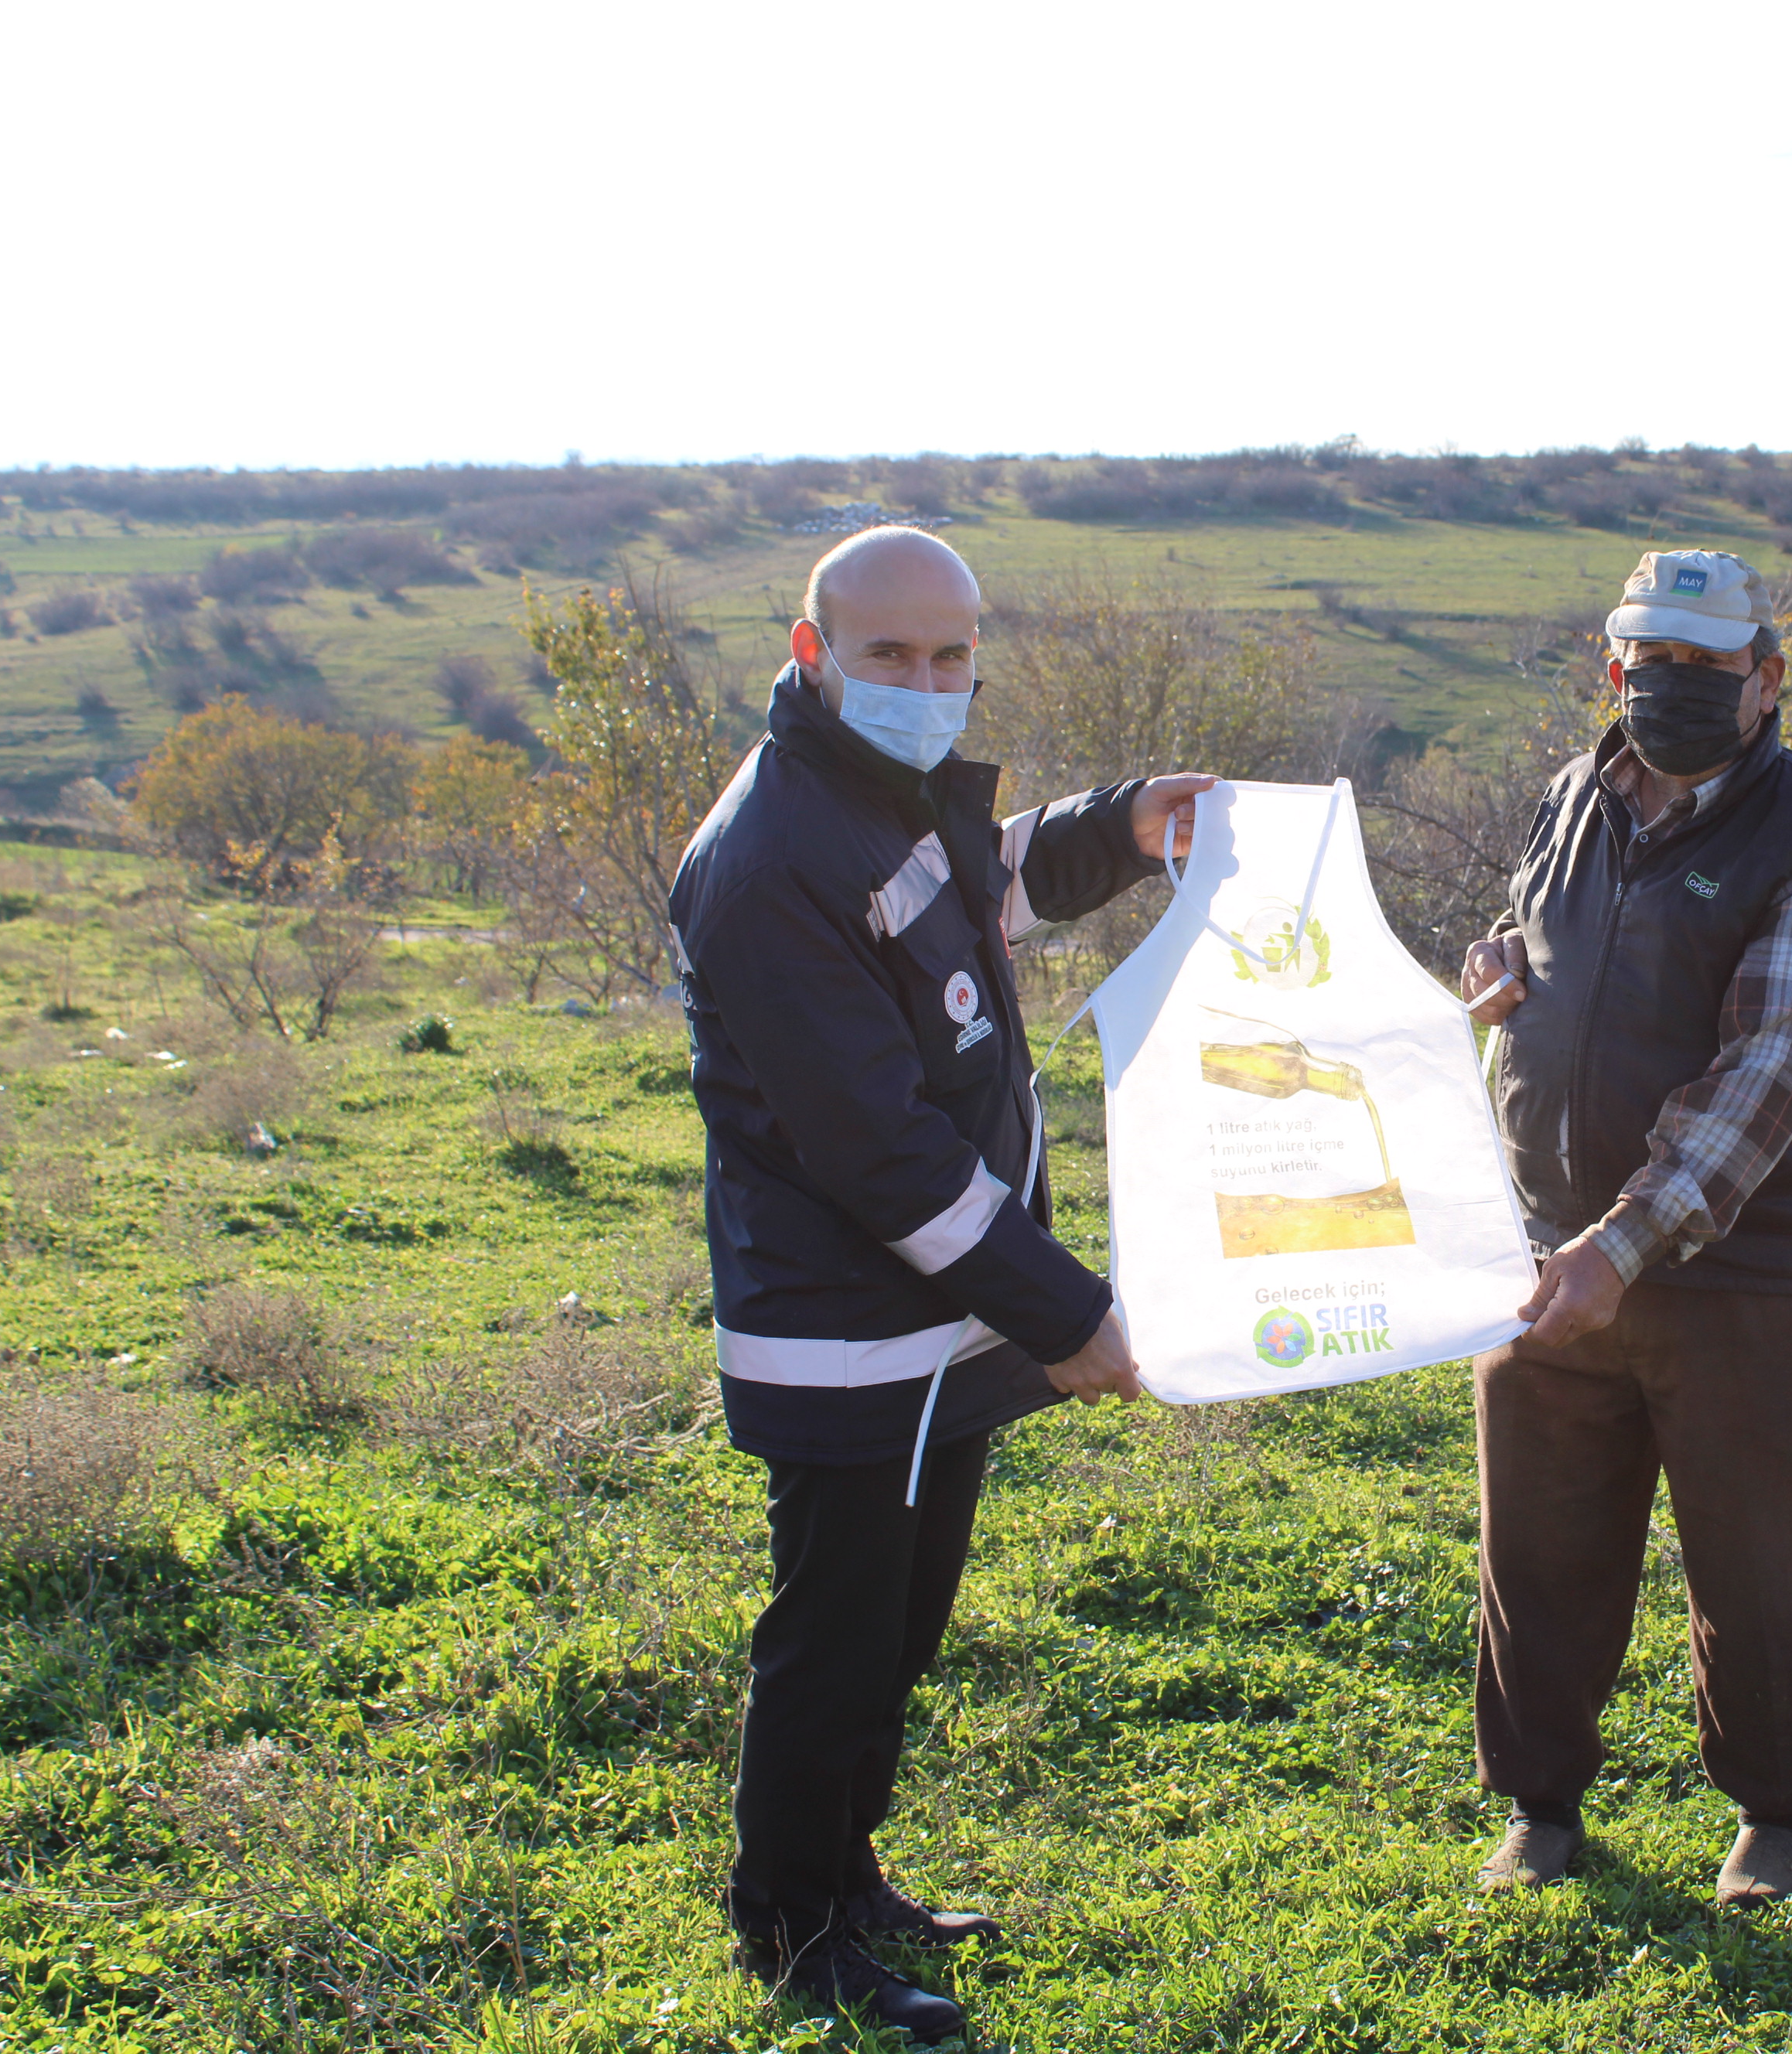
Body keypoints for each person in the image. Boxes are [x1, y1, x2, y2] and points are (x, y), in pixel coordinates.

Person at [667, 525, 1211, 2039]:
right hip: (847, 1337)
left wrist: (1129, 825)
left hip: (941, 1326)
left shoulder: (880, 799)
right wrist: (1074, 1313)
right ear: (810, 651)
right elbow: (883, 1155)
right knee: (836, 1633)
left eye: (952, 655)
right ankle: (789, 1919)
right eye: (890, 656)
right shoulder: (773, 856)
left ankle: (848, 1875)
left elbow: (990, 886)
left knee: (897, 1630)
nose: (926, 682)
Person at [1459, 548, 1792, 1908]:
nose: (1683, 689)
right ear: (1616, 669)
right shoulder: (1570, 798)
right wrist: (1491, 966)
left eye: (1715, 668)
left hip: (1740, 1282)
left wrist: (1622, 1243)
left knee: (1762, 1560)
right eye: (1659, 664)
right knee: (1536, 1550)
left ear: (1768, 680)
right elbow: (1538, 944)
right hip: (1542, 1258)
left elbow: (1765, 1076)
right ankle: (1541, 1805)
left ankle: (1776, 1815)